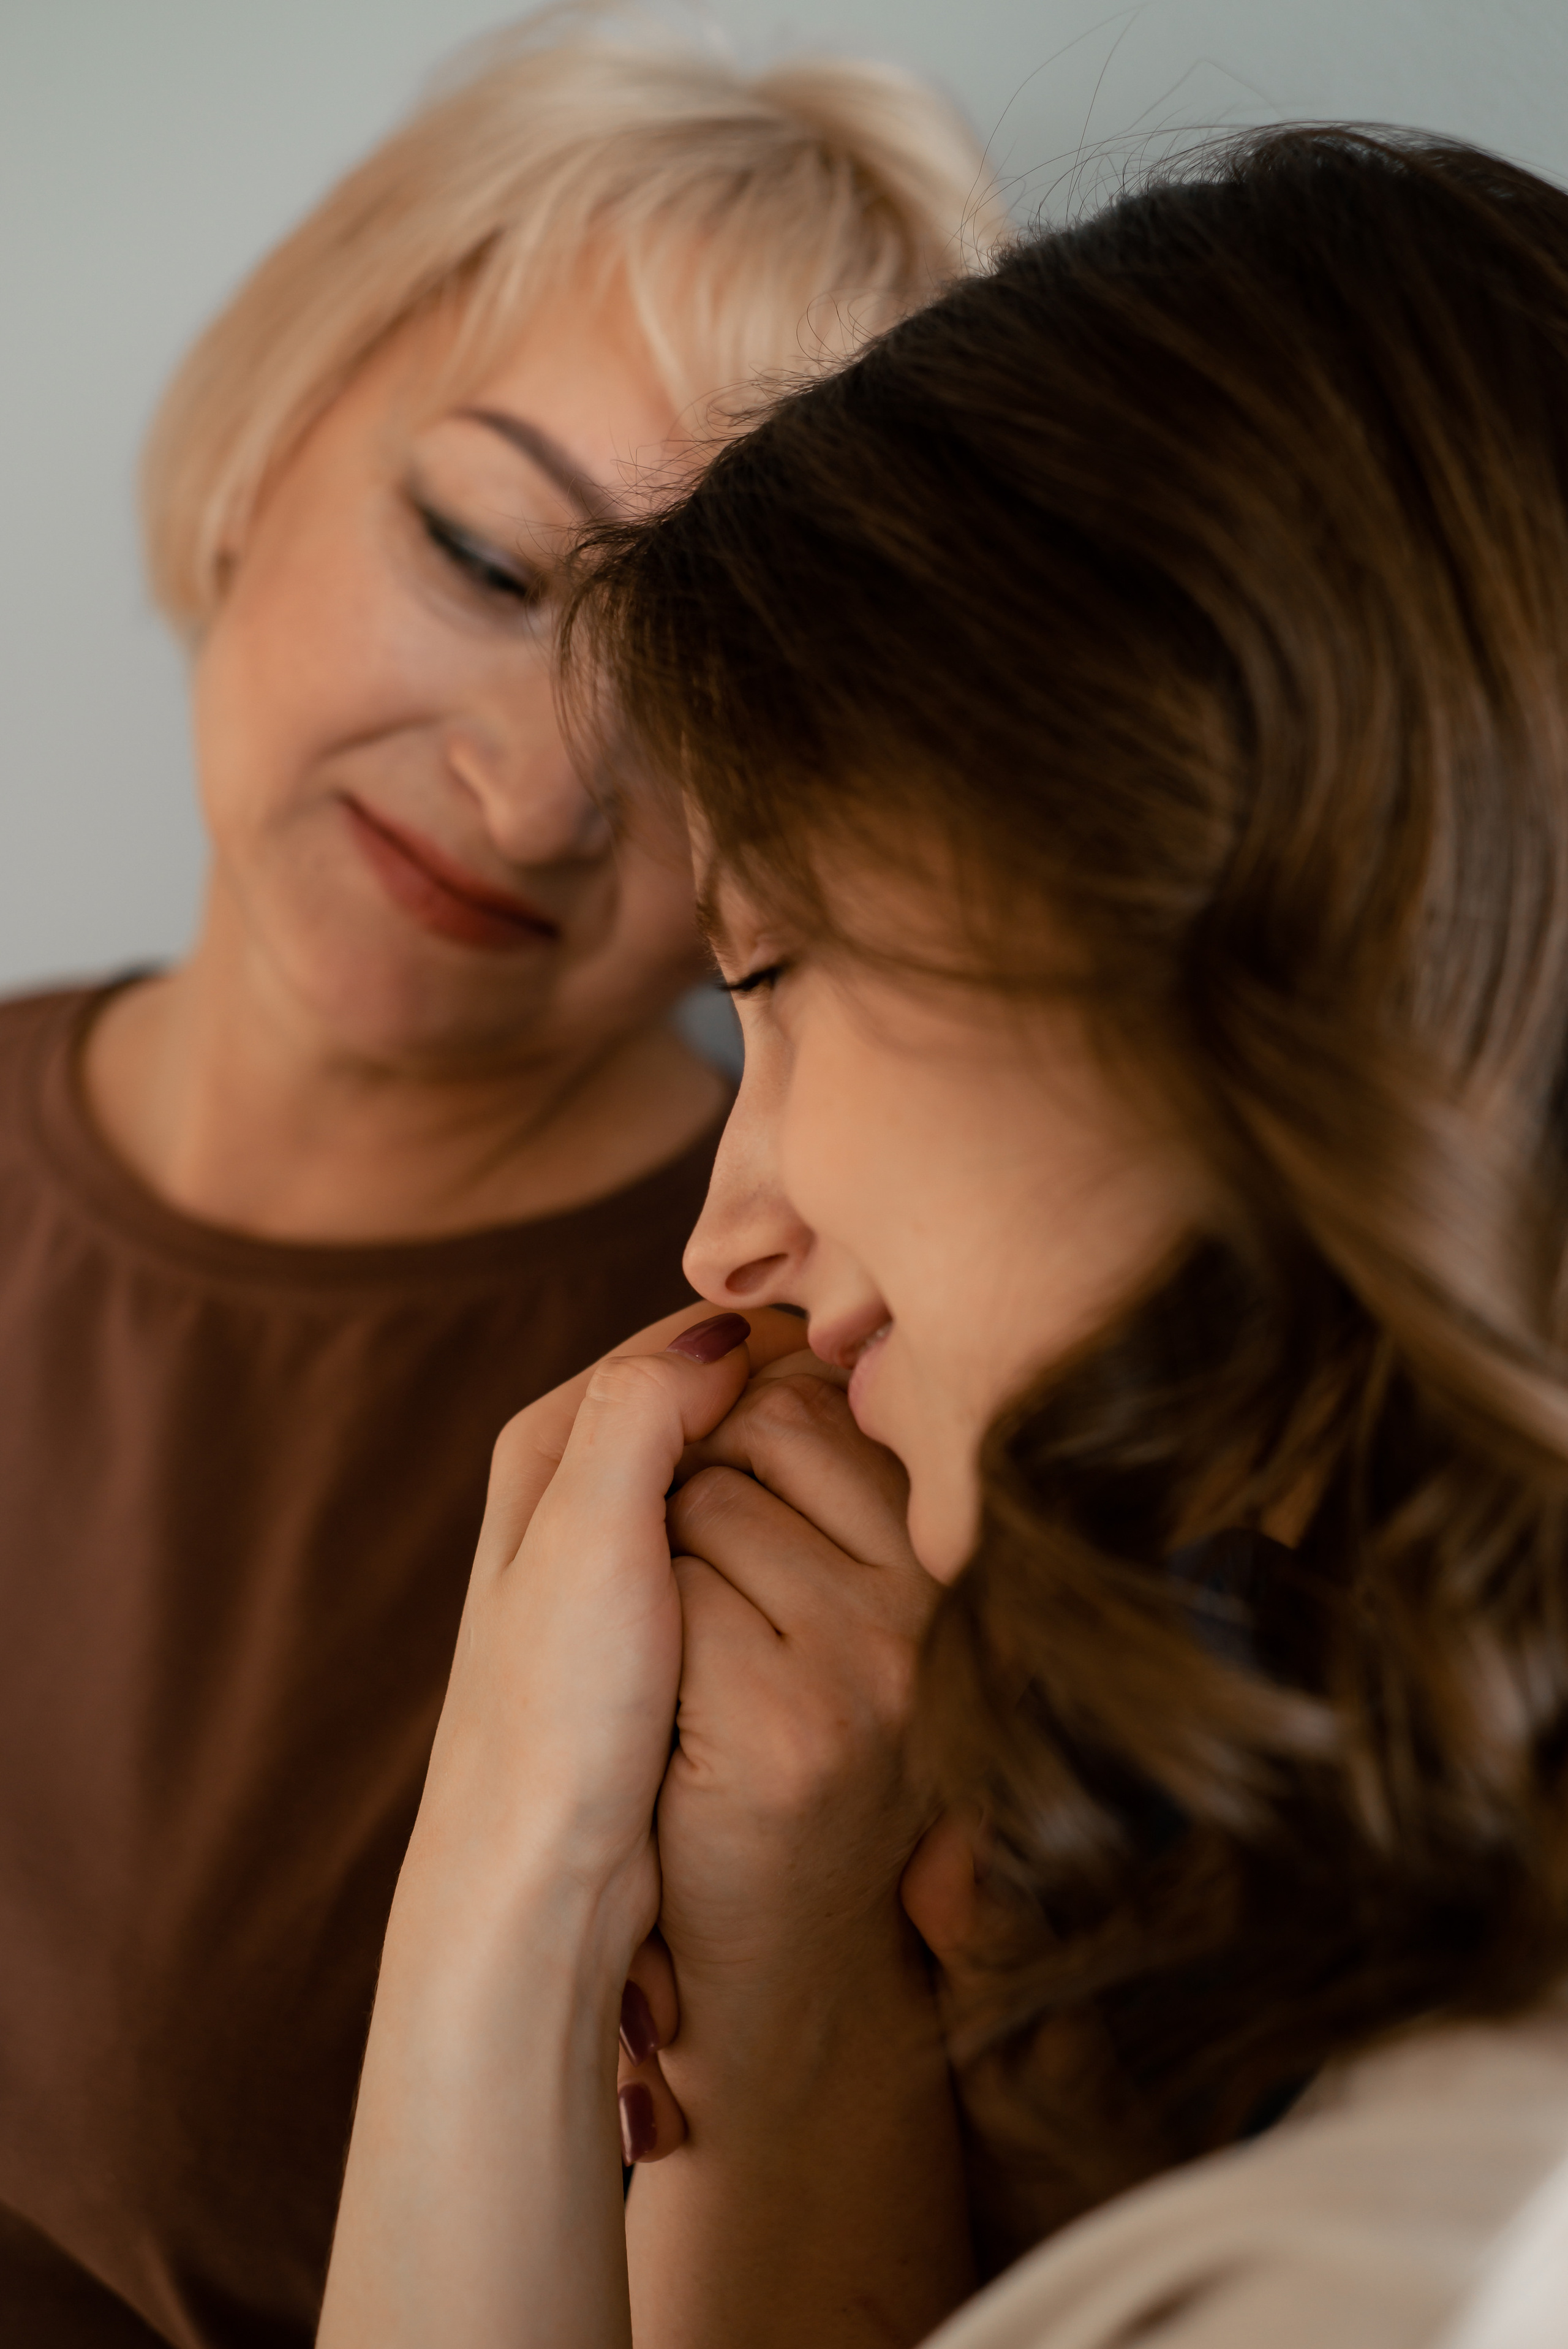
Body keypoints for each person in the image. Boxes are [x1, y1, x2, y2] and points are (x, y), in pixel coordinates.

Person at [317, 125, 1568, 2348]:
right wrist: (725, 1930)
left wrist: (504, 1899)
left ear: (1207, 862)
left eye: (778, 969)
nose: (726, 1239)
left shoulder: (1427, 2259)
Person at [0, 12, 1003, 2342]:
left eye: (700, 711)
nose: (538, 795)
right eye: (483, 555)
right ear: (263, 439)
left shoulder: (814, 1435)